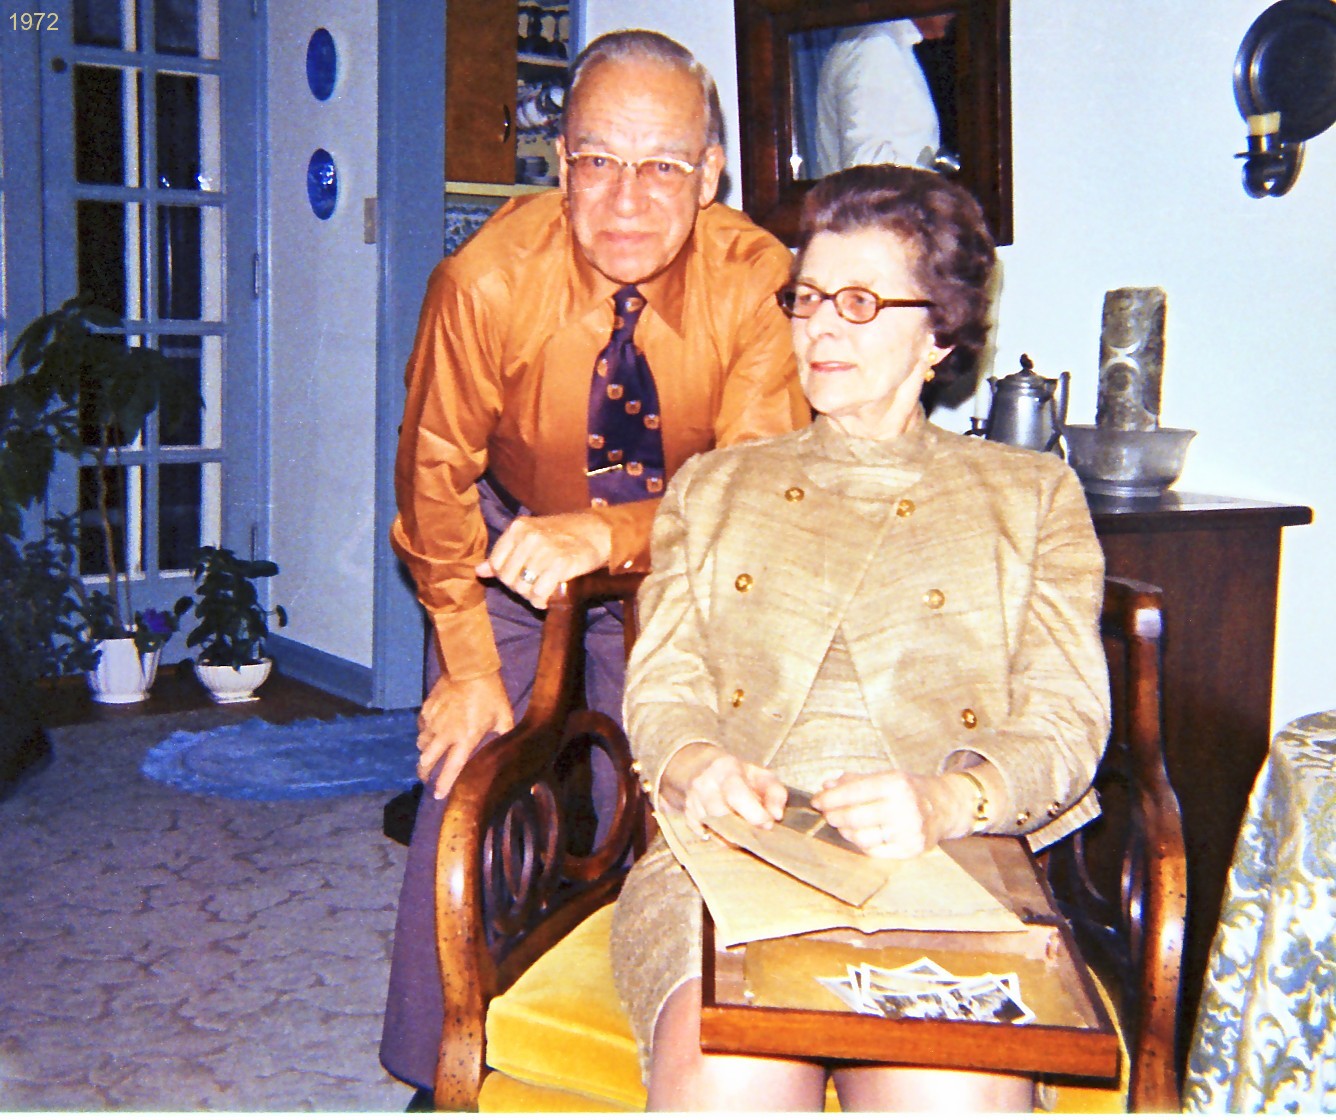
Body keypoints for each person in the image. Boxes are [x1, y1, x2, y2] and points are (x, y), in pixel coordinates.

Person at [609, 163, 1110, 1111]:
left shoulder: (1030, 497)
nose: (820, 327)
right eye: (807, 298)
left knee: (954, 1101)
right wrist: (695, 764)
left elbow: (1066, 721)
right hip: (727, 860)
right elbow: (662, 685)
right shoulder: (714, 488)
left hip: (948, 866)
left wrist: (950, 798)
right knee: (730, 1086)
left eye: (860, 301)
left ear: (940, 332)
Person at [380, 29, 809, 1098]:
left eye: (662, 165)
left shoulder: (761, 283)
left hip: (689, 559)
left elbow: (755, 495)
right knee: (472, 766)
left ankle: (647, 1038)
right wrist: (467, 662)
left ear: (709, 173)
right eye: (598, 161)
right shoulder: (482, 282)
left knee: (666, 779)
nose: (626, 199)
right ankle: (445, 1069)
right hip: (508, 541)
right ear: (560, 165)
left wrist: (609, 535)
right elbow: (433, 479)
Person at [813, 17, 955, 177]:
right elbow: (865, 167)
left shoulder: (887, 42)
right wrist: (932, 181)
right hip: (884, 194)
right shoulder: (874, 45)